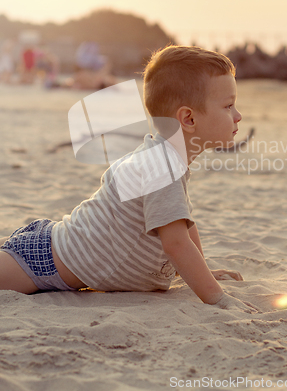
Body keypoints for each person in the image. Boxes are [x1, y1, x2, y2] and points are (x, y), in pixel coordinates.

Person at [0, 45, 256, 313]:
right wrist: (218, 298)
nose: (238, 116)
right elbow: (176, 244)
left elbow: (185, 224)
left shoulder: (169, 161)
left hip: (56, 246)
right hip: (43, 263)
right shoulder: (161, 165)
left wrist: (205, 271)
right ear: (188, 118)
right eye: (228, 106)